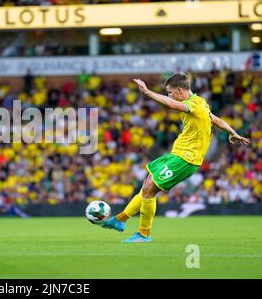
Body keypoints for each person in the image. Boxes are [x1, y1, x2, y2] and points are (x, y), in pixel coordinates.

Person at [100, 73, 250, 242]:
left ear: (179, 90)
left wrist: (148, 92)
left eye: (170, 92)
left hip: (186, 158)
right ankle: (120, 221)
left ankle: (143, 234)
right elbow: (216, 119)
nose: (169, 96)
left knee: (149, 190)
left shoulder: (194, 105)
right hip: (177, 154)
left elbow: (171, 104)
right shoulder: (201, 102)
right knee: (147, 185)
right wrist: (233, 132)